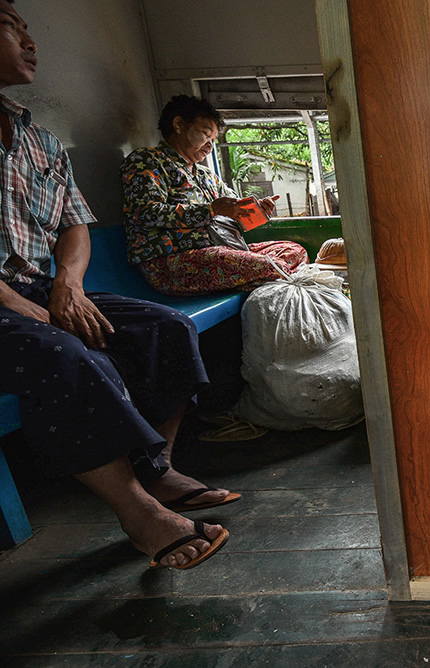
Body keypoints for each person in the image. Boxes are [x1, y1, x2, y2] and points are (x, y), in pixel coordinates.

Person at [0, 0, 234, 568]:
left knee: (168, 329)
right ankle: (138, 513)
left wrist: (69, 286)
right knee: (68, 353)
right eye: (12, 27)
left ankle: (157, 470)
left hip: (38, 287)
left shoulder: (40, 141)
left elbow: (73, 224)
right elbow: (160, 222)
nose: (32, 42)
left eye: (31, 29)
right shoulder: (150, 167)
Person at [121, 95, 308, 296]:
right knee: (273, 267)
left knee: (294, 252)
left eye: (213, 140)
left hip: (224, 249)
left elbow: (235, 211)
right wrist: (210, 210)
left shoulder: (206, 175)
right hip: (174, 261)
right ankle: (259, 279)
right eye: (205, 134)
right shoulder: (147, 161)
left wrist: (256, 210)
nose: (210, 145)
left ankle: (253, 280)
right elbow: (146, 213)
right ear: (179, 125)